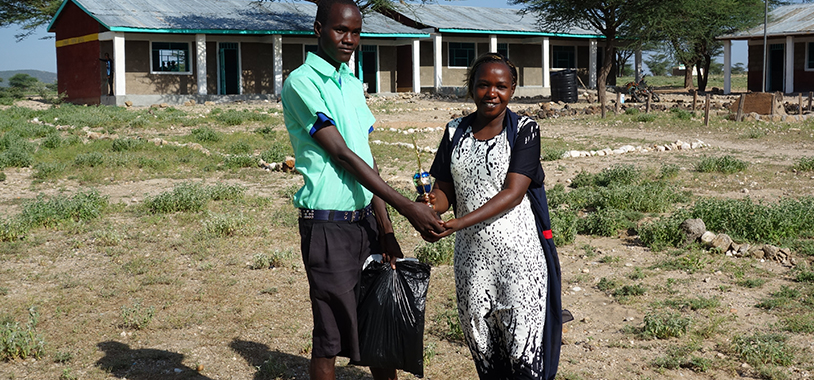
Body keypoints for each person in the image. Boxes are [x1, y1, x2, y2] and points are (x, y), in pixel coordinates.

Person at [280, 1, 446, 379]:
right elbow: (340, 153)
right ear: (318, 28)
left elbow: (366, 157)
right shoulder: (302, 83)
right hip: (328, 226)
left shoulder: (351, 83)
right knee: (330, 337)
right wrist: (407, 206)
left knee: (379, 322)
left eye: (356, 32)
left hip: (365, 223)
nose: (349, 39)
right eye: (341, 30)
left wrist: (385, 230)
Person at [425, 53, 563, 380]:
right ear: (470, 87)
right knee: (486, 357)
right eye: (483, 84)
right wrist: (431, 205)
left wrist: (456, 223)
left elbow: (513, 193)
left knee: (524, 359)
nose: (492, 93)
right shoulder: (454, 132)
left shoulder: (525, 130)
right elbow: (445, 191)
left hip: (520, 261)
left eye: (501, 86)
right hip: (472, 262)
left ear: (512, 89)